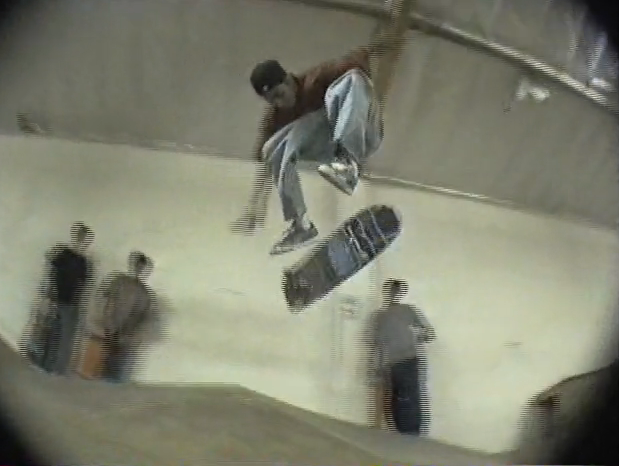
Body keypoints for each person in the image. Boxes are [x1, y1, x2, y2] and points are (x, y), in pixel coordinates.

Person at [231, 30, 409, 255]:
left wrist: (397, 38)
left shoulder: (320, 76)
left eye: (279, 95)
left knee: (350, 80)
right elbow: (266, 164)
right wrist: (255, 206)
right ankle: (301, 226)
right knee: (272, 146)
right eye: (271, 101)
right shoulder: (275, 116)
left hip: (366, 131)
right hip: (328, 147)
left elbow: (366, 51)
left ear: (288, 80)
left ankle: (348, 162)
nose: (278, 104)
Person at [369, 278, 436, 436]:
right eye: (391, 291)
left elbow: (429, 333)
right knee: (395, 402)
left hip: (407, 359)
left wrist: (417, 336)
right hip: (391, 364)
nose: (393, 294)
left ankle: (412, 436)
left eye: (396, 291)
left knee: (409, 399)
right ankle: (402, 436)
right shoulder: (380, 316)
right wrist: (376, 367)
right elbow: (377, 343)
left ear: (399, 293)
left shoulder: (407, 310)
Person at [91, 251, 157, 383]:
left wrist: (134, 333)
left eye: (141, 267)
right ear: (132, 265)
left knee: (117, 367)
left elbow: (145, 316)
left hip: (127, 334)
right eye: (136, 265)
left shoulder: (144, 292)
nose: (138, 269)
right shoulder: (119, 281)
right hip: (110, 328)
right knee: (101, 362)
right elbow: (104, 299)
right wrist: (104, 321)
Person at [38, 222, 94, 375]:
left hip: (71, 305)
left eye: (85, 239)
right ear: (75, 237)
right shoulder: (62, 254)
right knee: (50, 332)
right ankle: (44, 365)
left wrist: (81, 307)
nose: (82, 241)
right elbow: (49, 274)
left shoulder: (84, 262)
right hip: (55, 299)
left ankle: (57, 369)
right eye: (80, 237)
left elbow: (84, 287)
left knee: (65, 338)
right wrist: (47, 296)